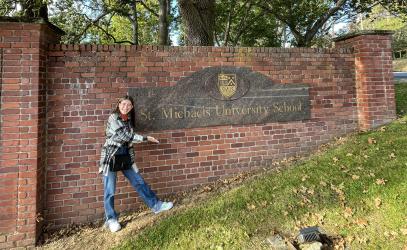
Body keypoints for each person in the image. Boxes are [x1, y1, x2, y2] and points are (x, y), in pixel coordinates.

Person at [99, 95, 173, 232]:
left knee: (139, 181)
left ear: (132, 107)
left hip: (126, 156)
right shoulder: (113, 118)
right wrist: (146, 138)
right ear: (118, 104)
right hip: (111, 157)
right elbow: (125, 137)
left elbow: (129, 141)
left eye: (128, 105)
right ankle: (111, 219)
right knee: (109, 190)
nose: (125, 107)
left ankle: (156, 206)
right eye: (123, 104)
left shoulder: (129, 121)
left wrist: (139, 139)